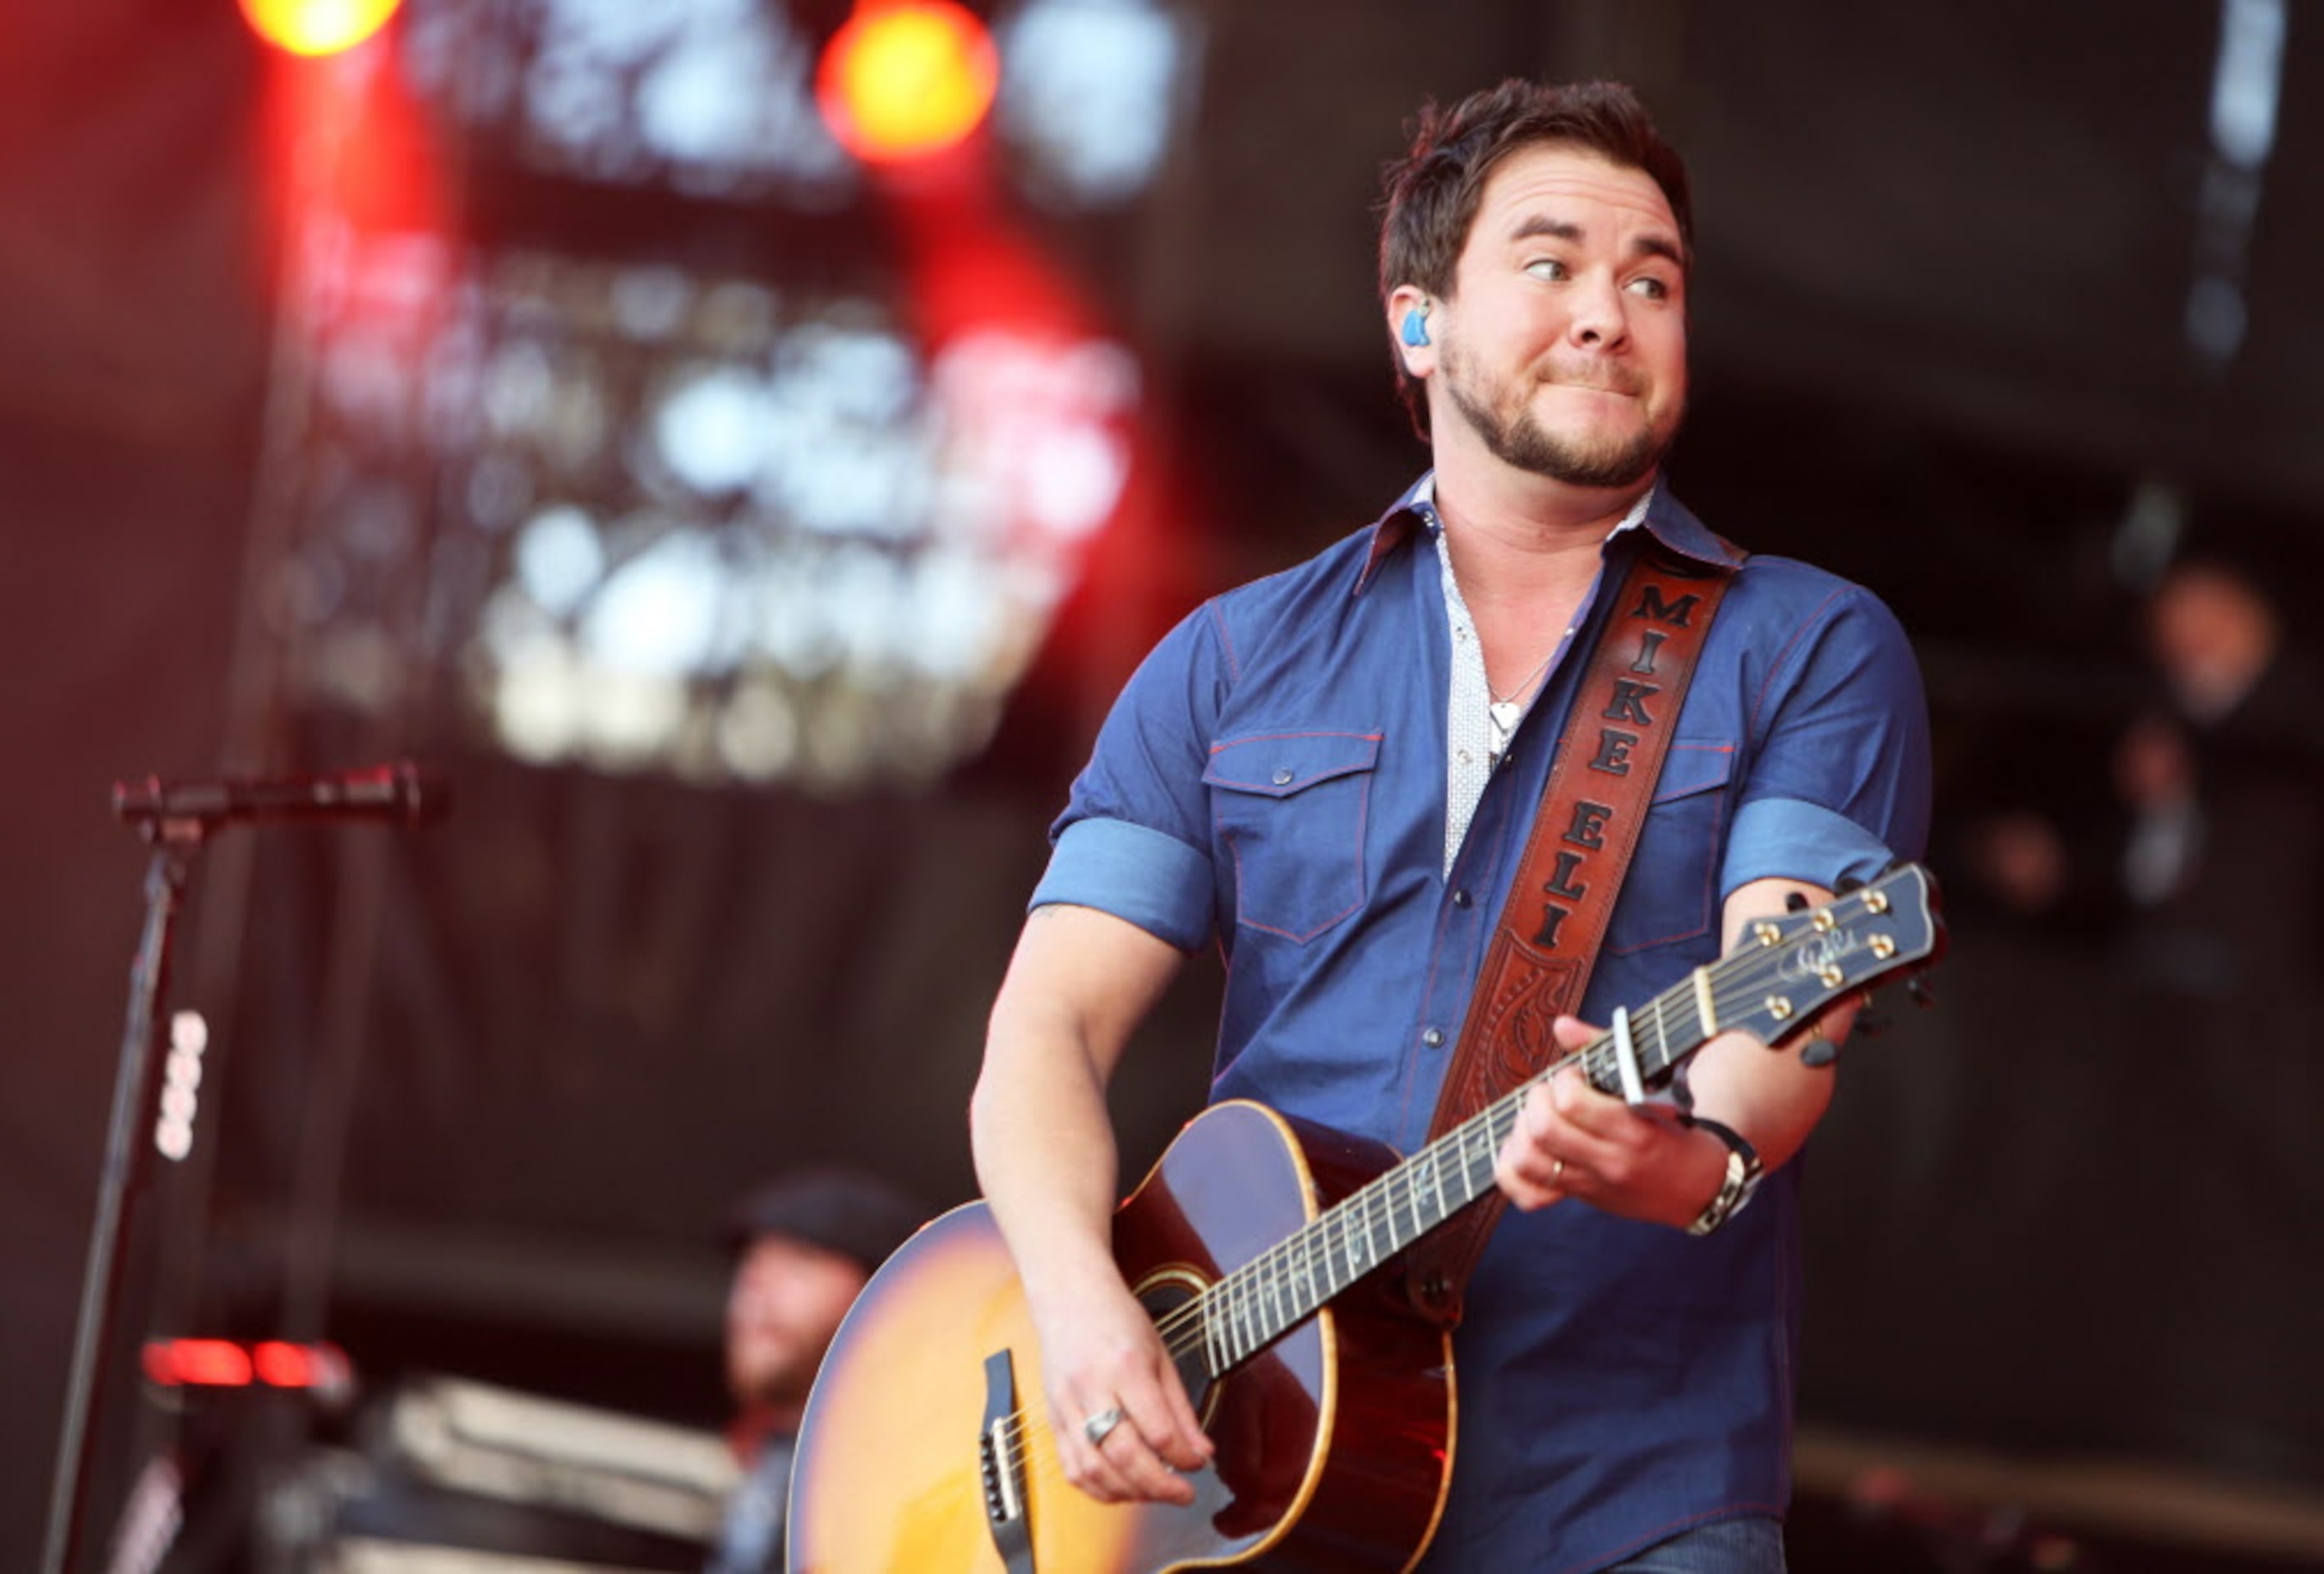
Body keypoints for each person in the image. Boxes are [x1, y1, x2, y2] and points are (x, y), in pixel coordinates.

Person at [968, 79, 1932, 1573]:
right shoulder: (1228, 660)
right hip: (1248, 1494)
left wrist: (1679, 1153)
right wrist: (1081, 1300)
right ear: (1418, 323)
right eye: (1551, 264)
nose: (1610, 312)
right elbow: (1044, 1034)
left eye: (1652, 279)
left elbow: (1785, 1004)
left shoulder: (1805, 643)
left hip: (1620, 1495)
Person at [706, 1168, 925, 1574]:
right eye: (754, 1261)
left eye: (799, 1261)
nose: (757, 1284)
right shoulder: (763, 1451)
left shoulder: (909, 1486)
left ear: (883, 1294)